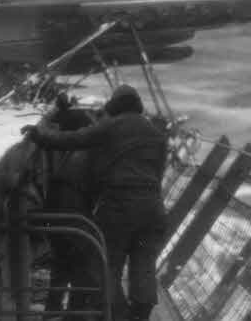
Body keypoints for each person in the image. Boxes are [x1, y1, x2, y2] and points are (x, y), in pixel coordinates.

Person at [23, 85, 168, 321]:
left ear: (116, 106)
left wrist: (41, 136)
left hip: (120, 206)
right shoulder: (157, 135)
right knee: (144, 265)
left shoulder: (113, 125)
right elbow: (158, 174)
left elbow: (75, 138)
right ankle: (141, 314)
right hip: (154, 208)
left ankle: (118, 316)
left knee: (105, 266)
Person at [41, 99, 99, 321]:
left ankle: (52, 313)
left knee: (61, 268)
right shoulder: (87, 154)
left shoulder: (70, 156)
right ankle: (73, 316)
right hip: (73, 216)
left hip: (58, 215)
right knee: (82, 270)